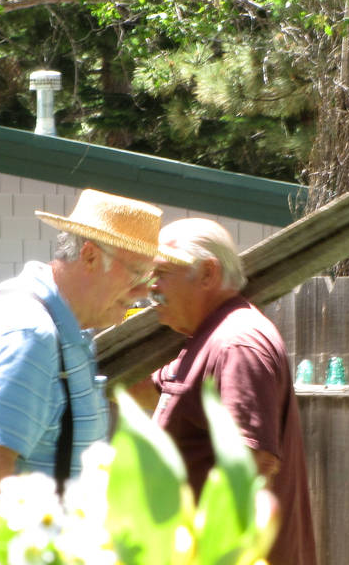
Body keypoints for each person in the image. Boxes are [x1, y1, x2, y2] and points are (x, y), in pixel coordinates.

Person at [0, 188, 172, 508]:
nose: (143, 292)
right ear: (90, 256)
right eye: (137, 273)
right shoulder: (31, 335)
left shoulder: (48, 322)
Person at [135, 217, 316, 565]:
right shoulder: (209, 338)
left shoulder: (237, 345)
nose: (151, 287)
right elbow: (153, 391)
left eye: (162, 273)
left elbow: (250, 465)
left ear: (207, 273)